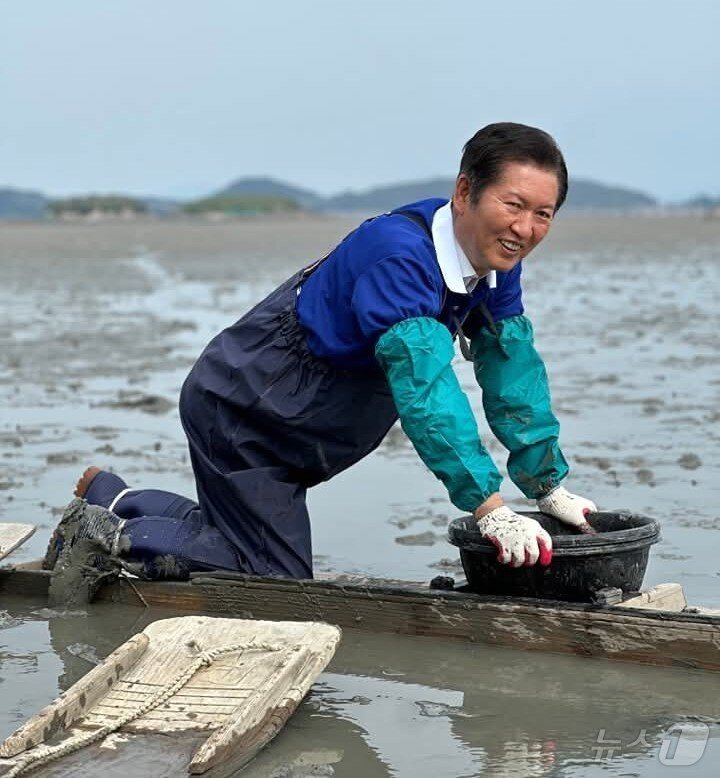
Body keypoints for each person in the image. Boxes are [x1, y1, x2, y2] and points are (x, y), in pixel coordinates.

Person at [45, 122, 597, 584]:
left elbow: (511, 368)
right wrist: (489, 509)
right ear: (464, 192)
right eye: (514, 204)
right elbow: (428, 390)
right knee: (273, 585)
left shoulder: (496, 260)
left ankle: (113, 495)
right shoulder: (399, 257)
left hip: (303, 426)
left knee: (248, 536)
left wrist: (546, 485)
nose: (525, 229)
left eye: (544, 214)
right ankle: (108, 536)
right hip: (248, 412)